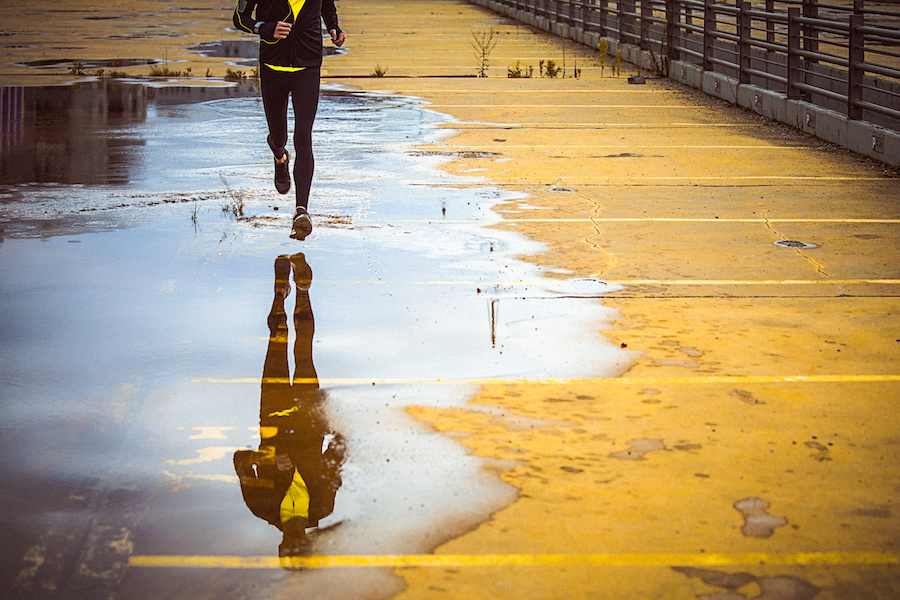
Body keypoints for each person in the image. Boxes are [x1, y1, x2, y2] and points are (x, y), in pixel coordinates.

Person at [233, 254, 345, 561]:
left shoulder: (262, 507)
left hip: (273, 414)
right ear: (308, 544)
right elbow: (336, 461)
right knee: (305, 349)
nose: (296, 540)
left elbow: (240, 461)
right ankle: (304, 287)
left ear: (281, 546)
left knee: (278, 341)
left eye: (289, 547)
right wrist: (338, 428)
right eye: (301, 546)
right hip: (310, 420)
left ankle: (280, 294)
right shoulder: (323, 507)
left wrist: (266, 456)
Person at [232, 1, 346, 240]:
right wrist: (264, 28)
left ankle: (301, 211)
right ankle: (279, 155)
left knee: (303, 136)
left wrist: (333, 27)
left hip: (308, 65)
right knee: (278, 137)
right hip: (273, 67)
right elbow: (240, 18)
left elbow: (327, 7)